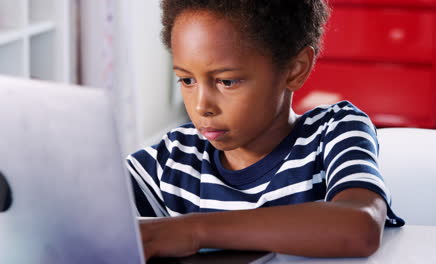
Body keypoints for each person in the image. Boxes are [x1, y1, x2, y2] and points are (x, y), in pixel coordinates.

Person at [126, 0, 404, 260]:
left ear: (294, 70)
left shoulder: (335, 131)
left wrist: (193, 231)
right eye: (187, 80)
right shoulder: (174, 157)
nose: (202, 106)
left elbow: (359, 226)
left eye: (227, 81)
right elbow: (92, 218)